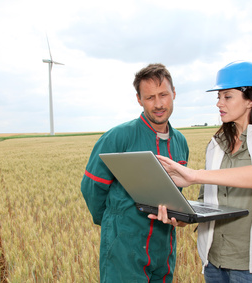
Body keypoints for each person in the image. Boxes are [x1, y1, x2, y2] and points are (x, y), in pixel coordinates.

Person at [154, 61, 252, 283]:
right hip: (215, 263)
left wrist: (194, 175)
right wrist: (180, 216)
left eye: (227, 96)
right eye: (218, 97)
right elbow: (207, 202)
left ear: (250, 99)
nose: (219, 103)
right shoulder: (216, 144)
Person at [80, 63, 189, 283]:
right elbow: (92, 188)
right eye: (149, 97)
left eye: (163, 95)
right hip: (124, 250)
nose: (158, 104)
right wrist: (117, 223)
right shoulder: (119, 137)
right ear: (139, 99)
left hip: (164, 249)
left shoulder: (181, 142)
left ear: (174, 94)